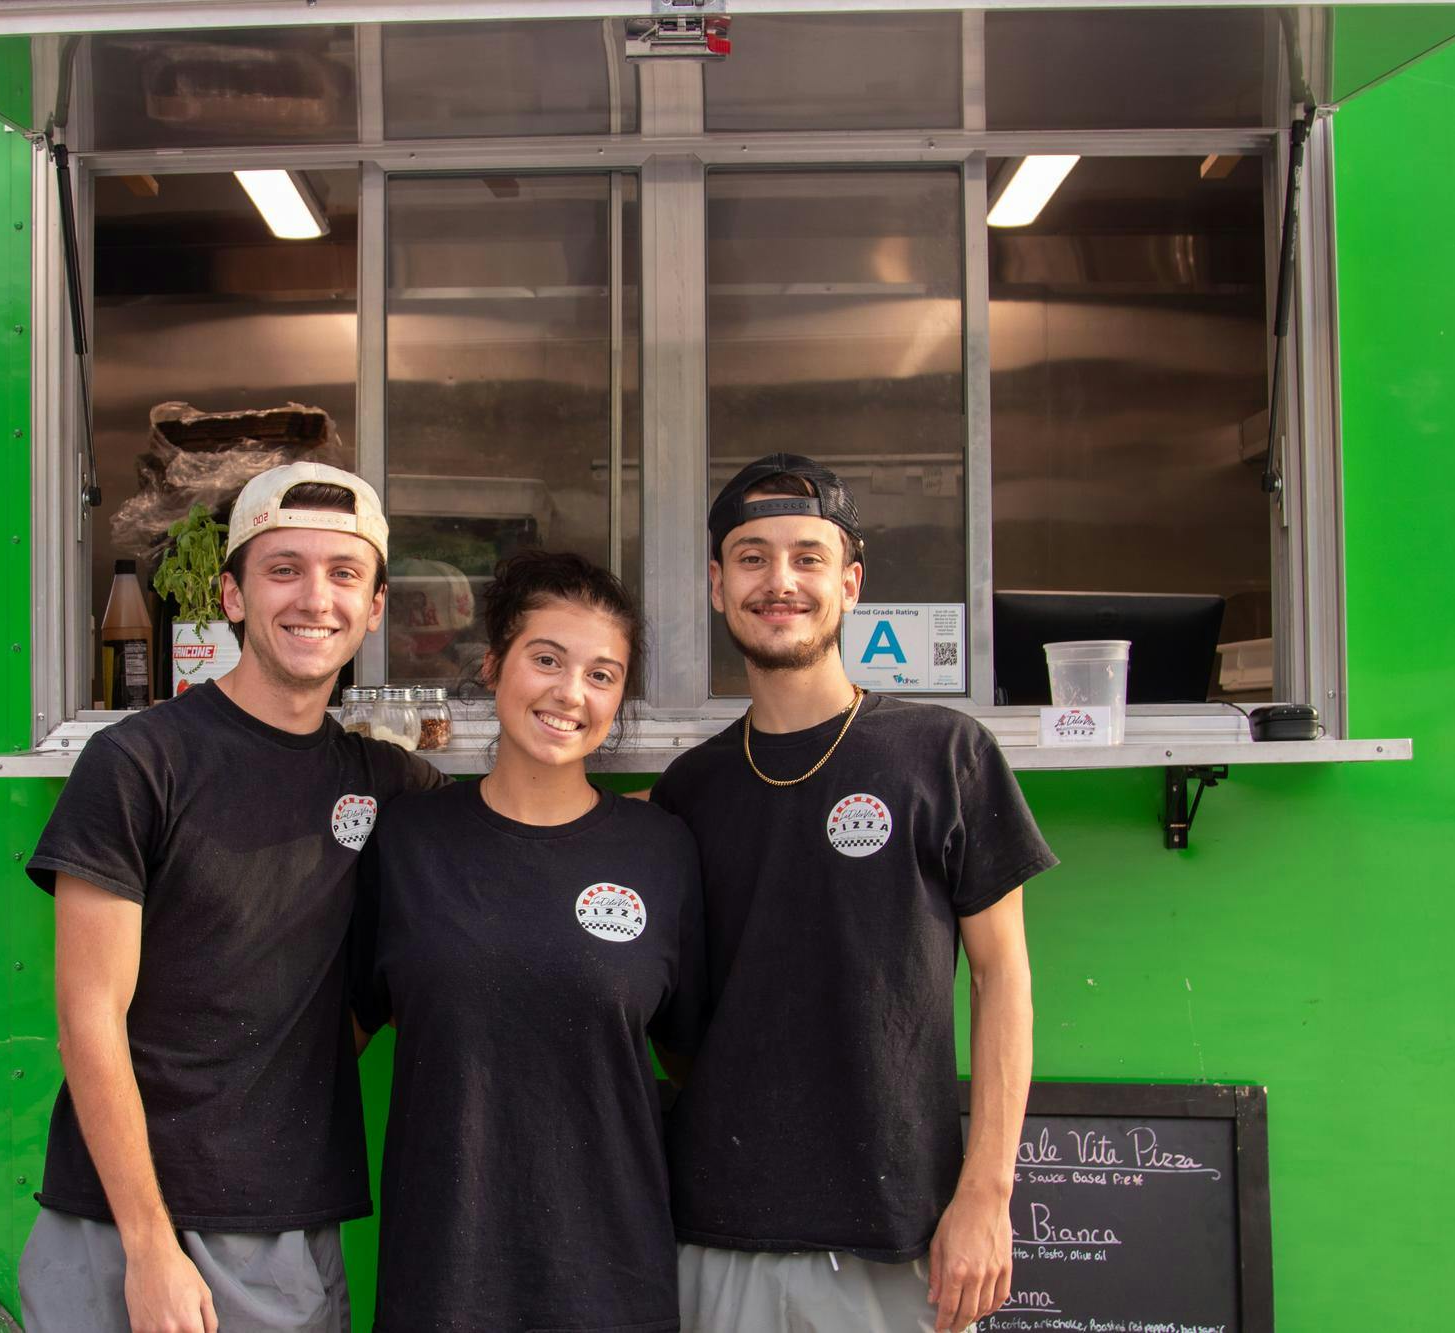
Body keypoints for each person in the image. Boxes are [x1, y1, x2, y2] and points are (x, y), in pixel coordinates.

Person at [19, 462, 446, 1333]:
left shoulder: (389, 784)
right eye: (284, 569)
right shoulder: (138, 763)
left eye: (343, 573)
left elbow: (526, 835)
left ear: (374, 607)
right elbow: (87, 1019)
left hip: (284, 1229)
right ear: (232, 594)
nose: (314, 598)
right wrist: (150, 1249)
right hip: (119, 1226)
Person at [653, 455, 1056, 1333]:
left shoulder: (944, 753)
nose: (781, 581)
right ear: (717, 586)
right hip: (715, 1230)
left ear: (850, 582)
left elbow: (1003, 978)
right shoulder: (690, 789)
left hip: (902, 1236)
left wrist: (986, 1194)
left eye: (808, 556)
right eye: (752, 558)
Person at [352, 550, 706, 1333]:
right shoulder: (408, 842)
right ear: (492, 665)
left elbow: (690, 1058)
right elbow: (339, 1034)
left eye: (602, 674)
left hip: (613, 1288)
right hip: (441, 1285)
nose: (570, 692)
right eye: (546, 659)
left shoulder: (662, 851)